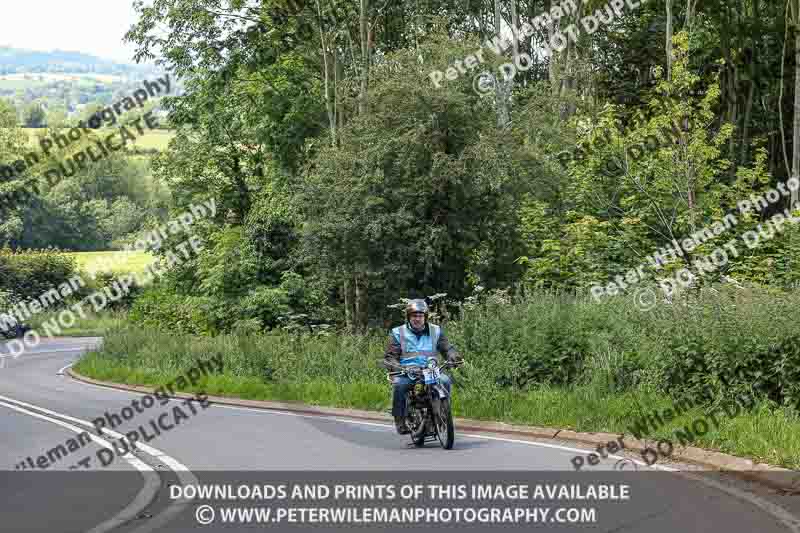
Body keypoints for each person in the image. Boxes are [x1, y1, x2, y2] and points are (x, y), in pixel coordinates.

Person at [383, 299, 463, 434]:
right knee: (399, 385)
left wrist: (453, 356)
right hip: (408, 372)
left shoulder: (435, 331)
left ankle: (442, 414)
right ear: (409, 317)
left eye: (420, 316)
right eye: (414, 316)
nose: (417, 319)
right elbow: (391, 356)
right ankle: (400, 419)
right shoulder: (398, 332)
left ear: (425, 317)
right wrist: (398, 367)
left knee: (445, 380)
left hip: (431, 370)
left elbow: (447, 347)